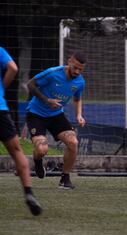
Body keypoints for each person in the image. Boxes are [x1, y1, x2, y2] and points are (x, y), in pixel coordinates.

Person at [26, 51, 87, 189]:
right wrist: (47, 101)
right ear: (69, 61)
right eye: (75, 67)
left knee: (73, 142)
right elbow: (30, 85)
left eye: (80, 69)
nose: (77, 71)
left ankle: (65, 179)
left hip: (56, 115)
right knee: (42, 149)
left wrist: (79, 115)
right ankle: (37, 160)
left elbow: (77, 99)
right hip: (36, 114)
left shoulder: (80, 82)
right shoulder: (53, 73)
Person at [0, 46, 42, 215]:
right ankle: (29, 193)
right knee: (17, 151)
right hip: (0, 110)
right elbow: (13, 68)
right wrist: (2, 88)